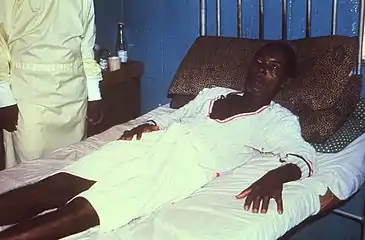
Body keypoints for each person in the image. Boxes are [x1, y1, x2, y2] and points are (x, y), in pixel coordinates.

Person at [0, 42, 316, 240]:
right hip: (152, 144)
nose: (262, 72)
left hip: (180, 167)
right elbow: (175, 116)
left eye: (274, 69)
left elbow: (303, 154)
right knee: (54, 186)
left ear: (285, 80)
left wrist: (278, 174)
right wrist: (150, 124)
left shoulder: (277, 119)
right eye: (260, 63)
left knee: (84, 210)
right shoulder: (215, 93)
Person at [0, 0, 103, 168]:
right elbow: (1, 42)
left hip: (73, 97)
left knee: (71, 167)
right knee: (30, 172)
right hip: (30, 96)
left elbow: (86, 46)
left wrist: (94, 95)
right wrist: (4, 98)